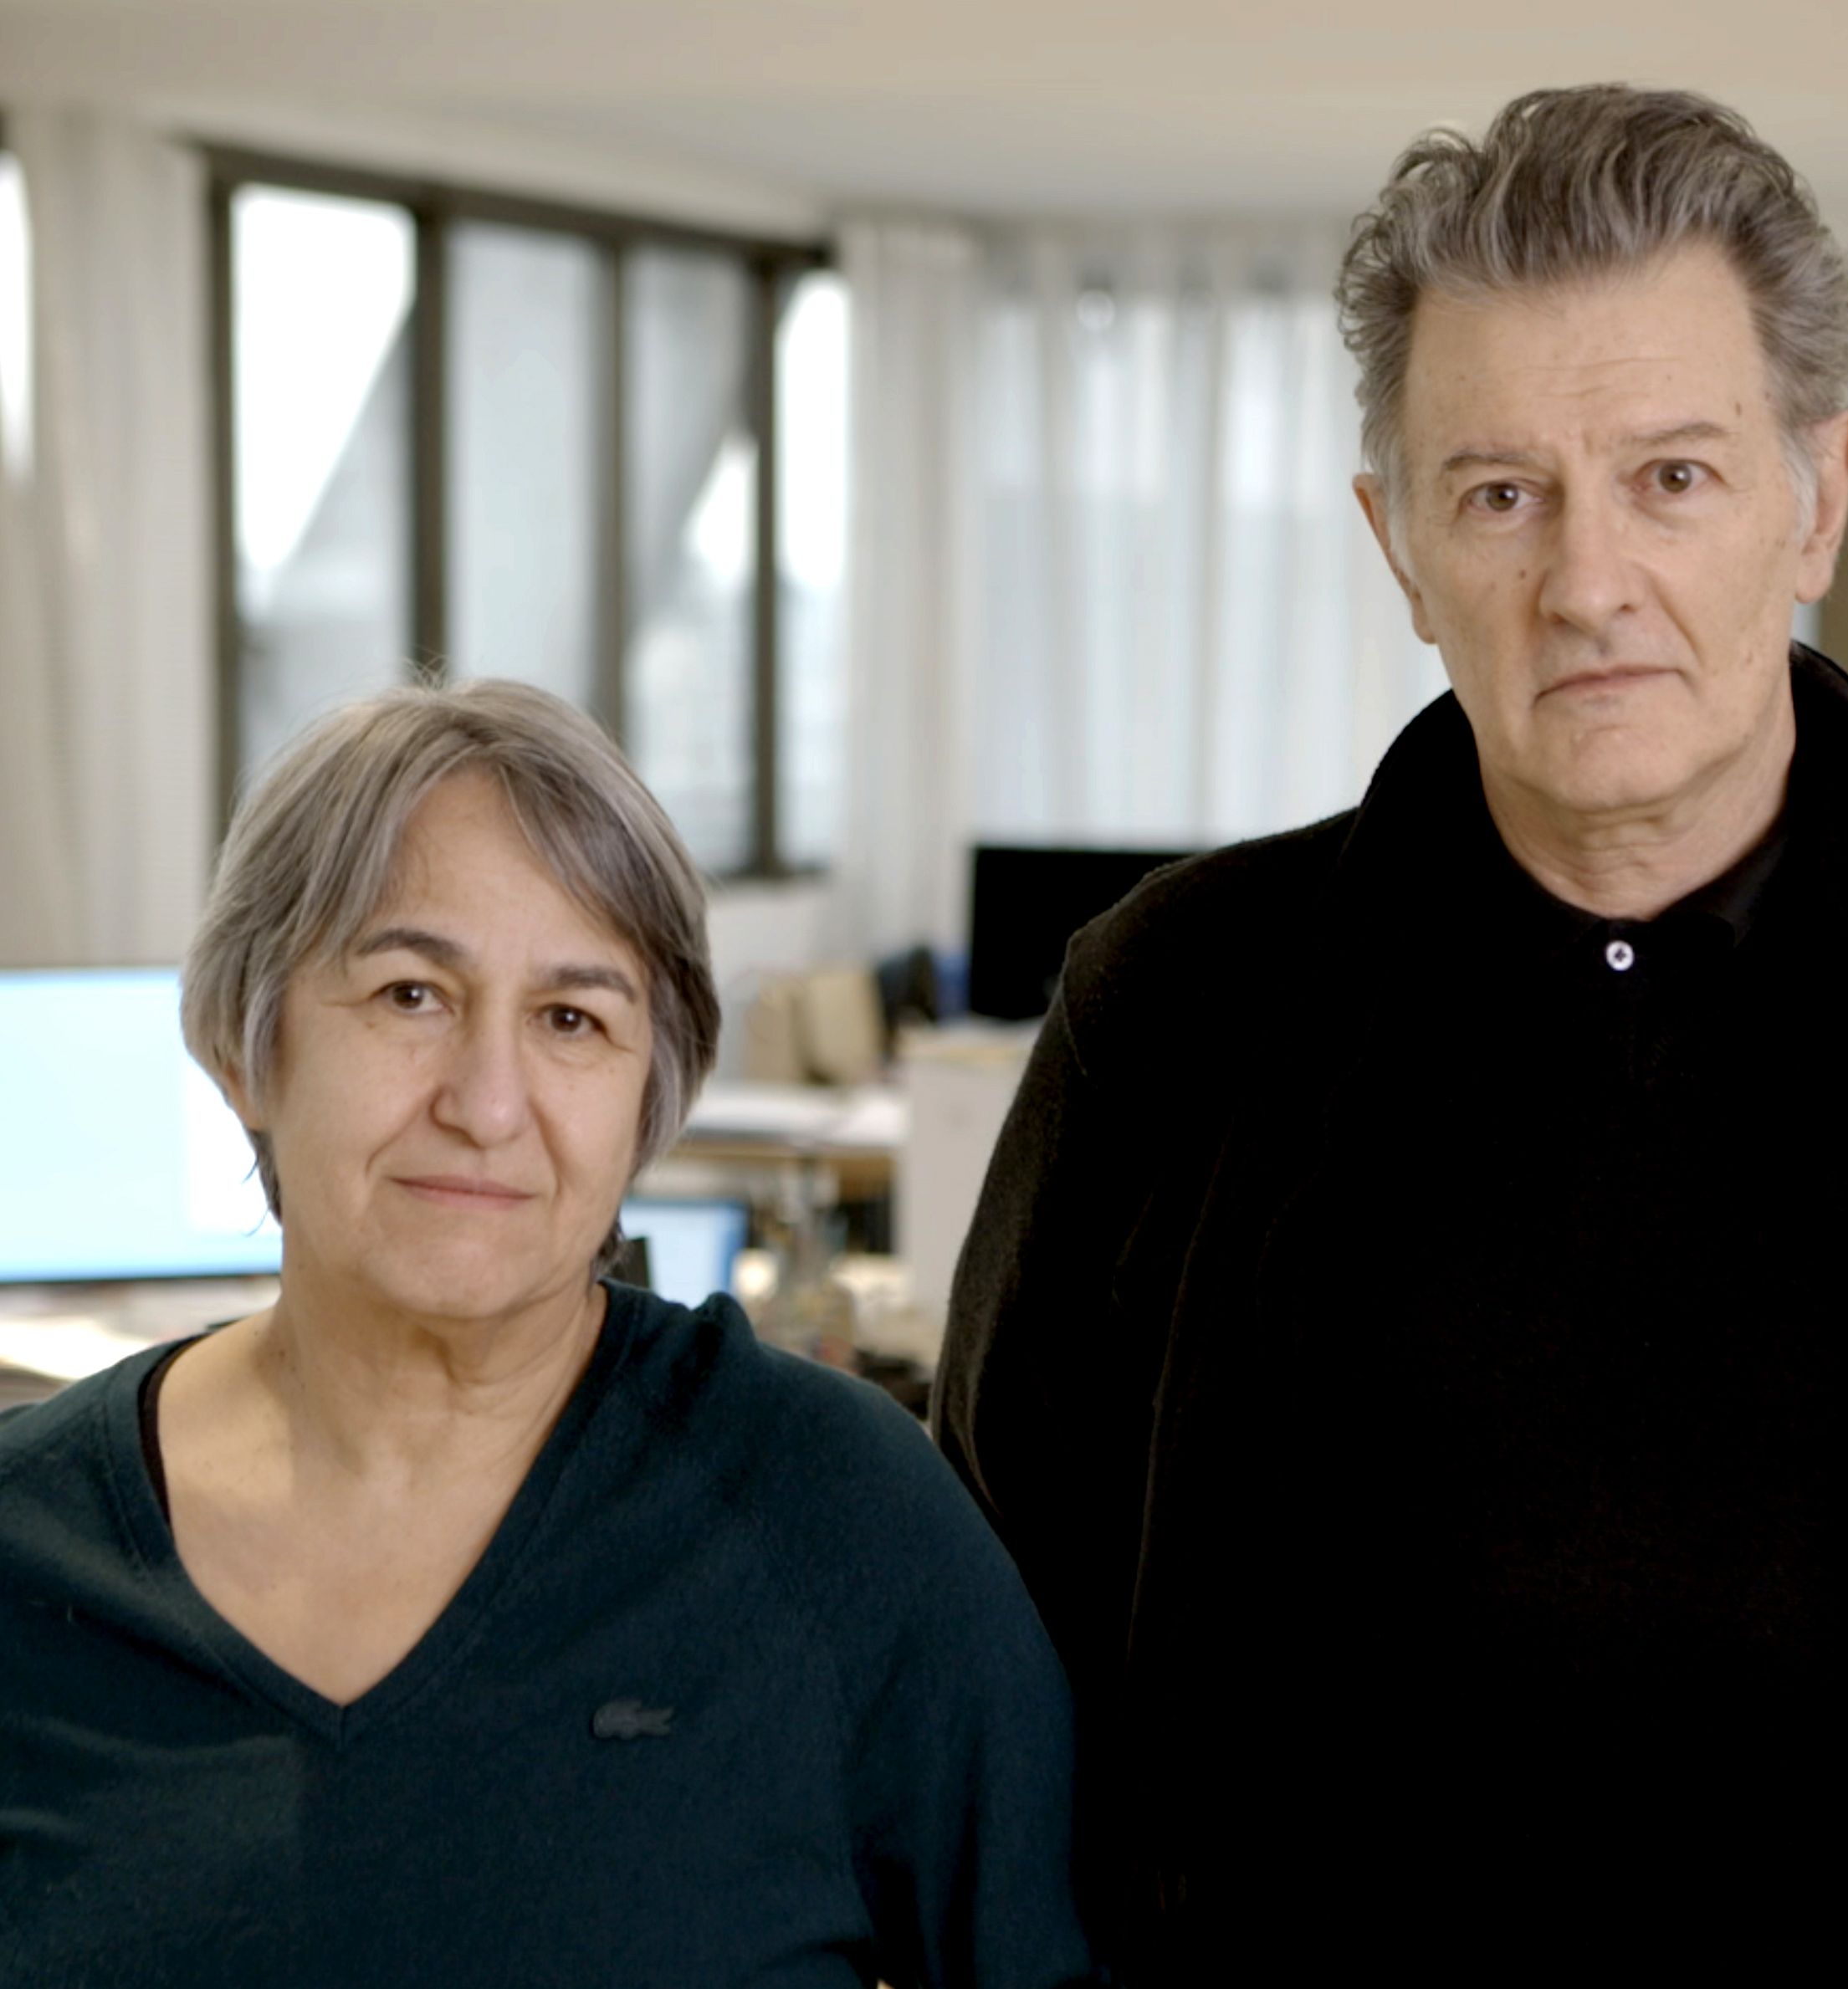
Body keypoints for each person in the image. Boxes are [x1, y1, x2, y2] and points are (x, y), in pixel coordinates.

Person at [934, 84, 1848, 1982]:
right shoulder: (1168, 1008)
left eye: (1671, 477)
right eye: (1501, 493)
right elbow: (990, 1653)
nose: (1587, 583)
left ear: (1815, 501)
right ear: (1399, 547)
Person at [0, 680, 1100, 1989]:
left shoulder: (837, 1517)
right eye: (410, 993)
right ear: (248, 1044)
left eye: (571, 1018)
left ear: (648, 1097)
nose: (487, 1102)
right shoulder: (27, 1545)